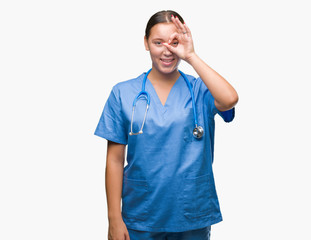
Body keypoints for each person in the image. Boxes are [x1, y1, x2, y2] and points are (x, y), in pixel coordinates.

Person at [94, 10, 238, 240]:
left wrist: (191, 56)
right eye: (158, 42)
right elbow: (114, 160)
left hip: (191, 212)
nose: (167, 50)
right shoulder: (123, 93)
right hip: (142, 214)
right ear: (146, 43)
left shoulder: (201, 90)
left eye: (174, 42)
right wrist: (114, 218)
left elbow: (230, 99)